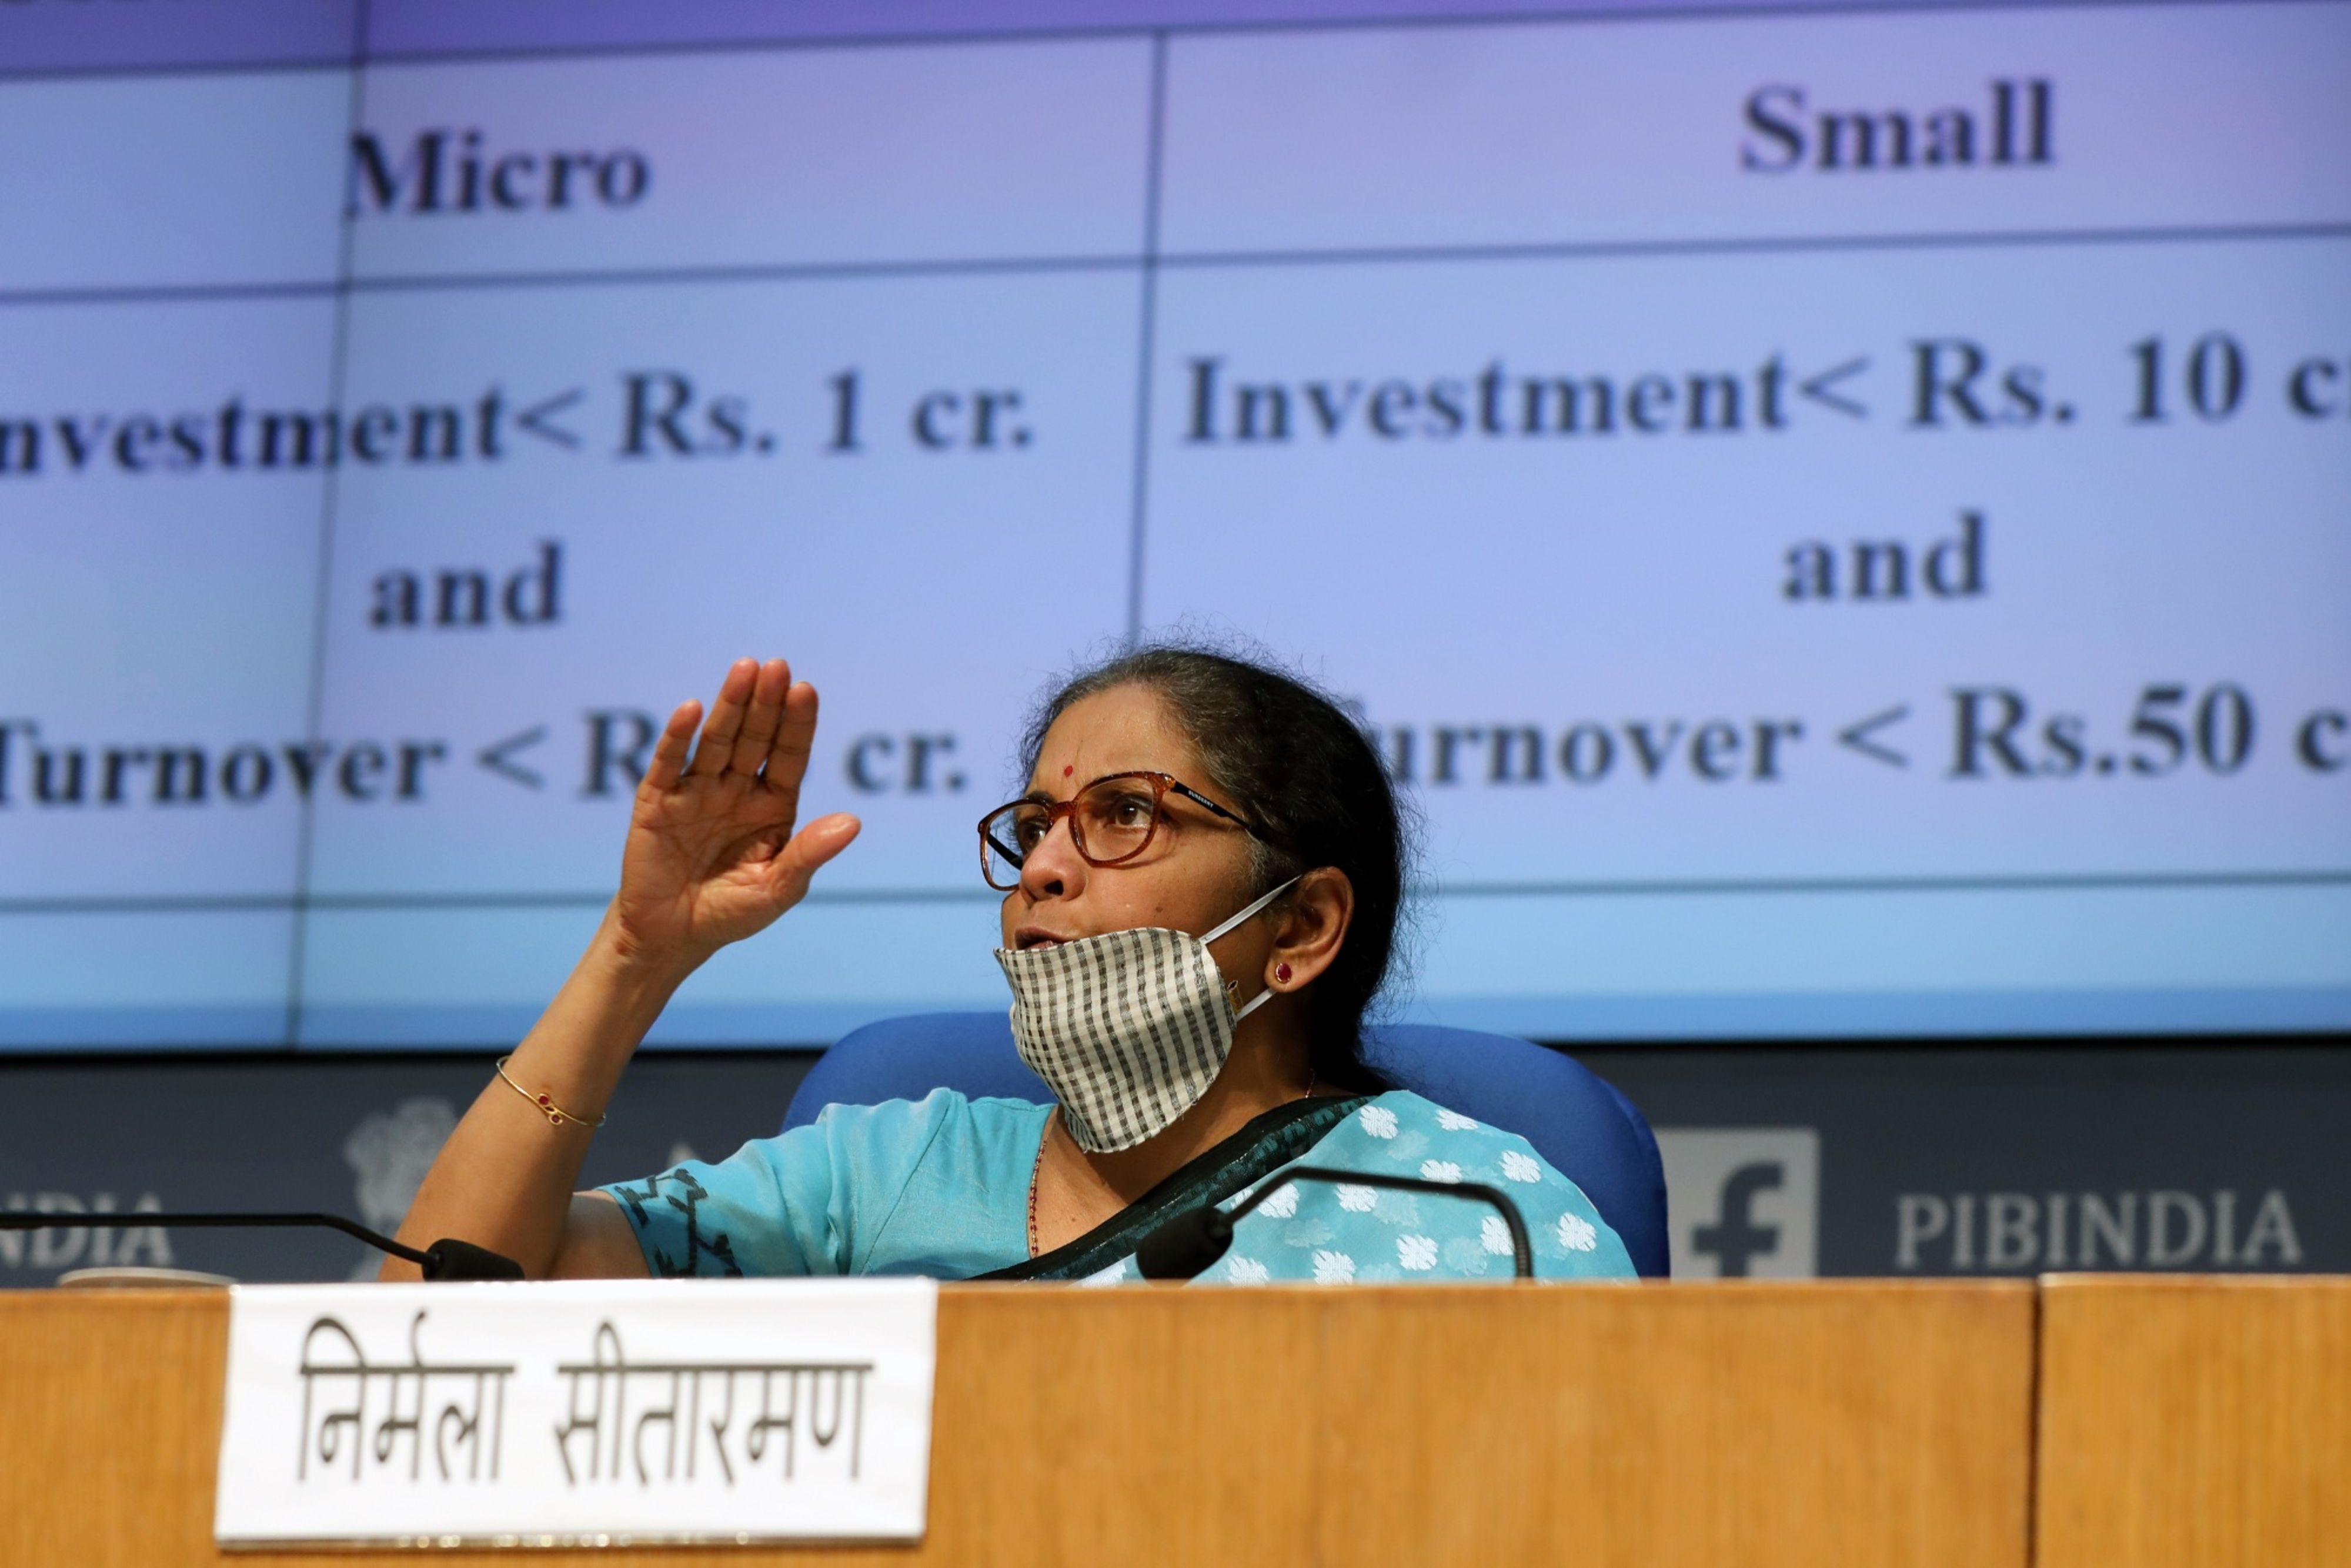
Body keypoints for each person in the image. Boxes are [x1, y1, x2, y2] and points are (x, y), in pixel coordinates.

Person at [386, 645, 1632, 1285]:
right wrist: (634, 957)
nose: (1042, 867)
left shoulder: (1478, 1216)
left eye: (1124, 815)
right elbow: (447, 1309)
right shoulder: (881, 1176)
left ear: (1300, 928)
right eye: (1034, 826)